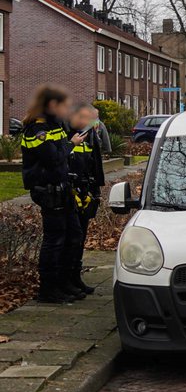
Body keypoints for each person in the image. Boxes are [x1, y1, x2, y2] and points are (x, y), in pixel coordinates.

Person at [20, 85, 86, 303]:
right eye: (64, 105)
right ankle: (48, 289)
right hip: (48, 191)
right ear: (52, 105)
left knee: (73, 236)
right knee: (55, 240)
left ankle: (65, 282)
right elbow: (53, 157)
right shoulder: (36, 129)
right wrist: (72, 144)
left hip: (63, 188)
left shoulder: (55, 125)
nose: (67, 109)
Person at [67, 102, 106, 295]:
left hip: (87, 192)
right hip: (73, 193)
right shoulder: (70, 135)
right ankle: (68, 278)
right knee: (72, 238)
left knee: (80, 237)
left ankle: (75, 277)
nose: (95, 121)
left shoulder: (90, 134)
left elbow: (95, 164)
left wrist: (96, 189)